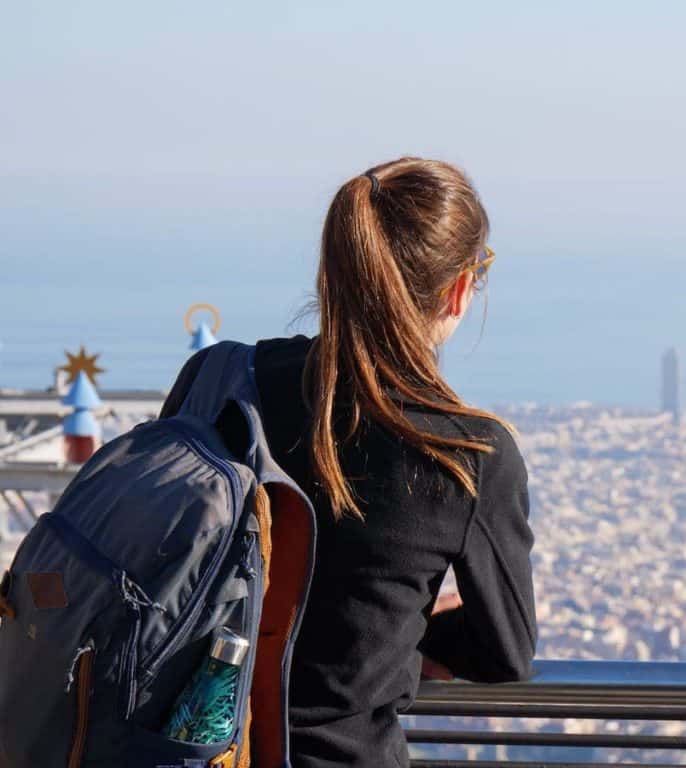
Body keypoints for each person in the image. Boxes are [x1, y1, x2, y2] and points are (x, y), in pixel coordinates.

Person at [160, 157, 537, 768]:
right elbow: (507, 653)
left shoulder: (219, 379)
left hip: (176, 749)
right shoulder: (468, 455)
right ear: (460, 289)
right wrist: (409, 632)